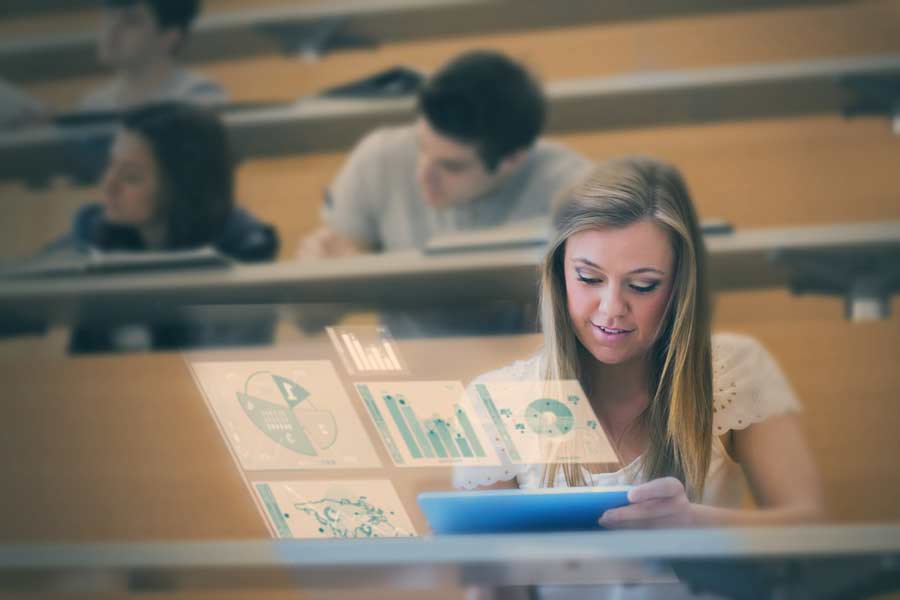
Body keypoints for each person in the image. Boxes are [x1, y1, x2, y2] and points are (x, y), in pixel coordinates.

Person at [455, 158, 824, 595]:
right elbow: (491, 587)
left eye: (643, 285)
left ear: (680, 285)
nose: (612, 308)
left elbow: (812, 531)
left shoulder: (735, 368)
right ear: (558, 273)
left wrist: (698, 525)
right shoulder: (494, 399)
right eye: (589, 278)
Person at [297, 50, 592, 335]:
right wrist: (327, 287)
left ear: (512, 160)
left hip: (524, 374)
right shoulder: (378, 158)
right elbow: (307, 320)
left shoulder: (574, 189)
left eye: (451, 167)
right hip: (407, 373)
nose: (423, 175)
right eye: (421, 148)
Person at [44, 102, 278, 352]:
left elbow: (222, 372)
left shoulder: (243, 250)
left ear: (182, 187)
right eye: (110, 165)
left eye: (131, 176)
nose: (108, 185)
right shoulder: (92, 234)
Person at [78, 0, 227, 113]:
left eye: (131, 21)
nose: (111, 31)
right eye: (109, 16)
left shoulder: (198, 97)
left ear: (168, 37)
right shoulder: (93, 105)